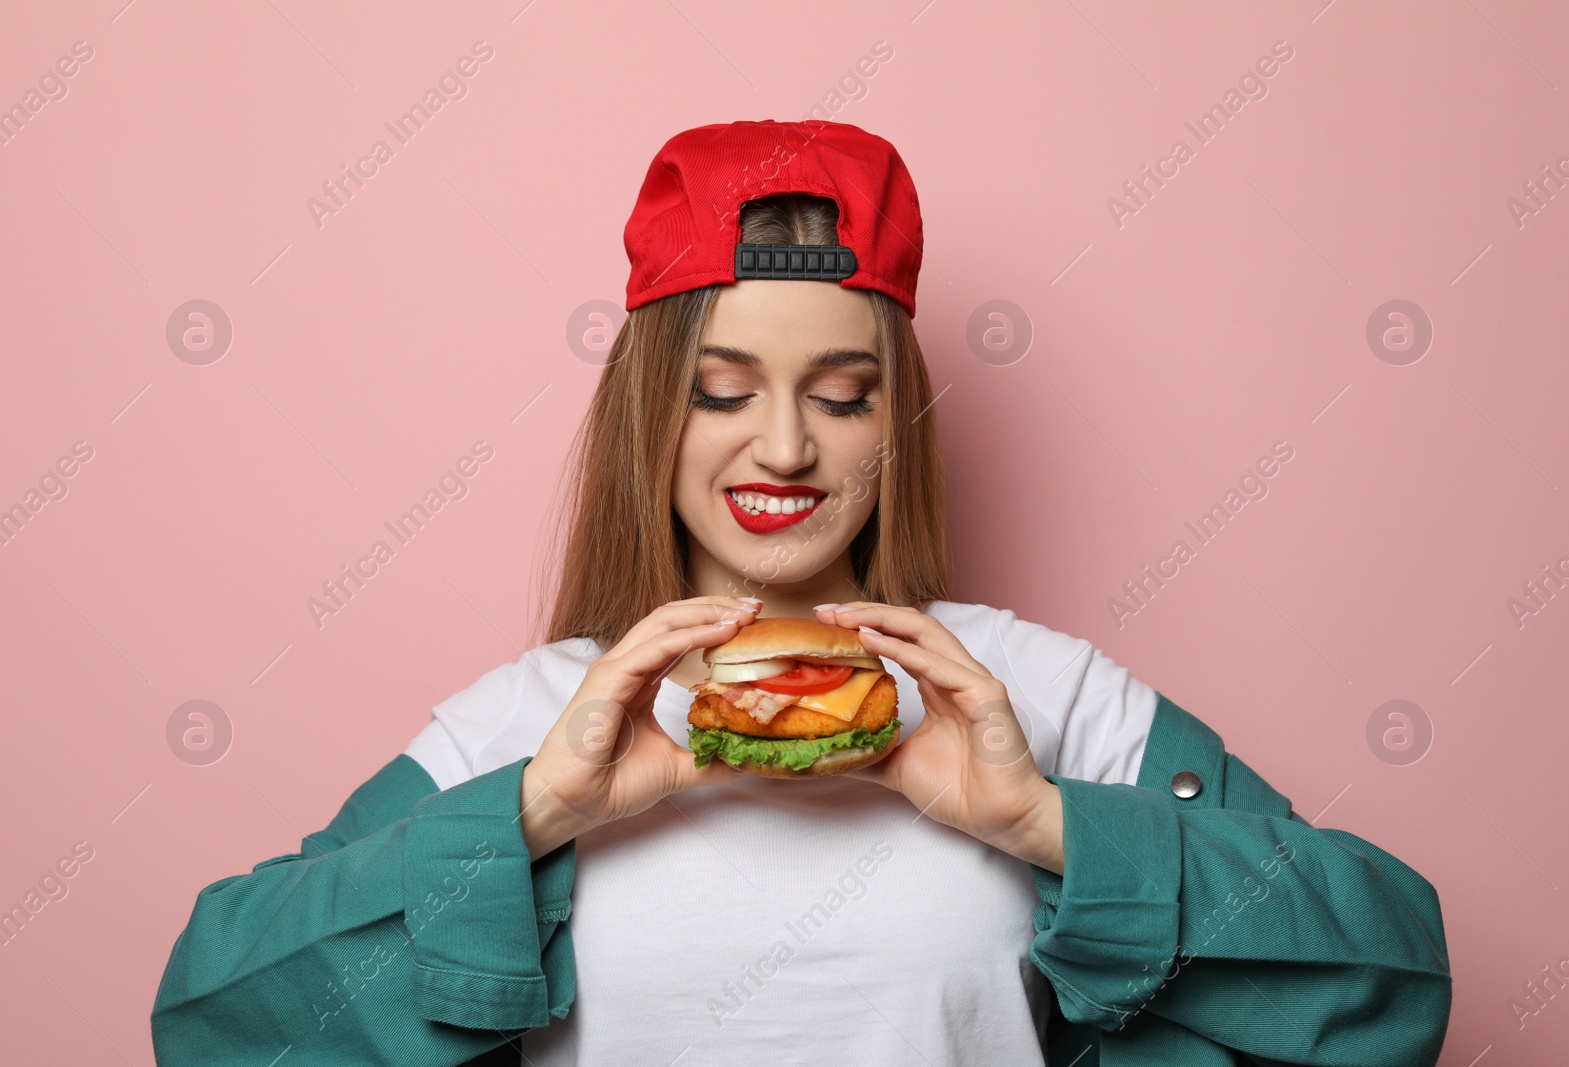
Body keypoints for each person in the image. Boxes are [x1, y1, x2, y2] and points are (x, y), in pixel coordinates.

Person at [150, 120, 1451, 1066]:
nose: (783, 448)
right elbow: (212, 1024)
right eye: (721, 392)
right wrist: (538, 810)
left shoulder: (1039, 697)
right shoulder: (528, 723)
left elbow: (1395, 986)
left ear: (900, 420)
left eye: (842, 394)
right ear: (648, 415)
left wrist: (1044, 822)